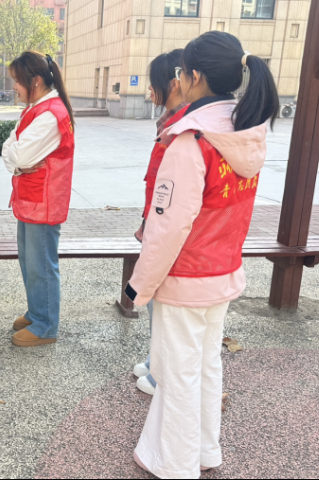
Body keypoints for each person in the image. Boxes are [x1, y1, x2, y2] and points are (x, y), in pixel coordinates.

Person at [126, 31, 279, 478]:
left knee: (178, 375)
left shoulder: (191, 142)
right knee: (207, 366)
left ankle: (176, 466)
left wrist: (139, 287)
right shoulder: (246, 135)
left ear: (194, 76)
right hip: (223, 271)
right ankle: (205, 451)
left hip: (185, 278)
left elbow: (167, 229)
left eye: (181, 73)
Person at [2, 51, 75, 347]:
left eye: (17, 81)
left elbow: (17, 154)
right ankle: (37, 313)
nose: (13, 88)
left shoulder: (49, 115)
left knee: (41, 265)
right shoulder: (38, 109)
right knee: (30, 262)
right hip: (32, 200)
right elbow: (11, 149)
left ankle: (45, 325)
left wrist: (16, 158)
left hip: (43, 203)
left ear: (34, 81)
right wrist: (16, 158)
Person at [132, 49, 189, 397]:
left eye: (154, 83)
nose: (150, 91)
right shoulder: (172, 122)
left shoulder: (183, 128)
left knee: (164, 300)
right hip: (157, 221)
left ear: (176, 82)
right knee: (157, 298)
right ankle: (156, 362)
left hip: (168, 228)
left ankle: (162, 374)